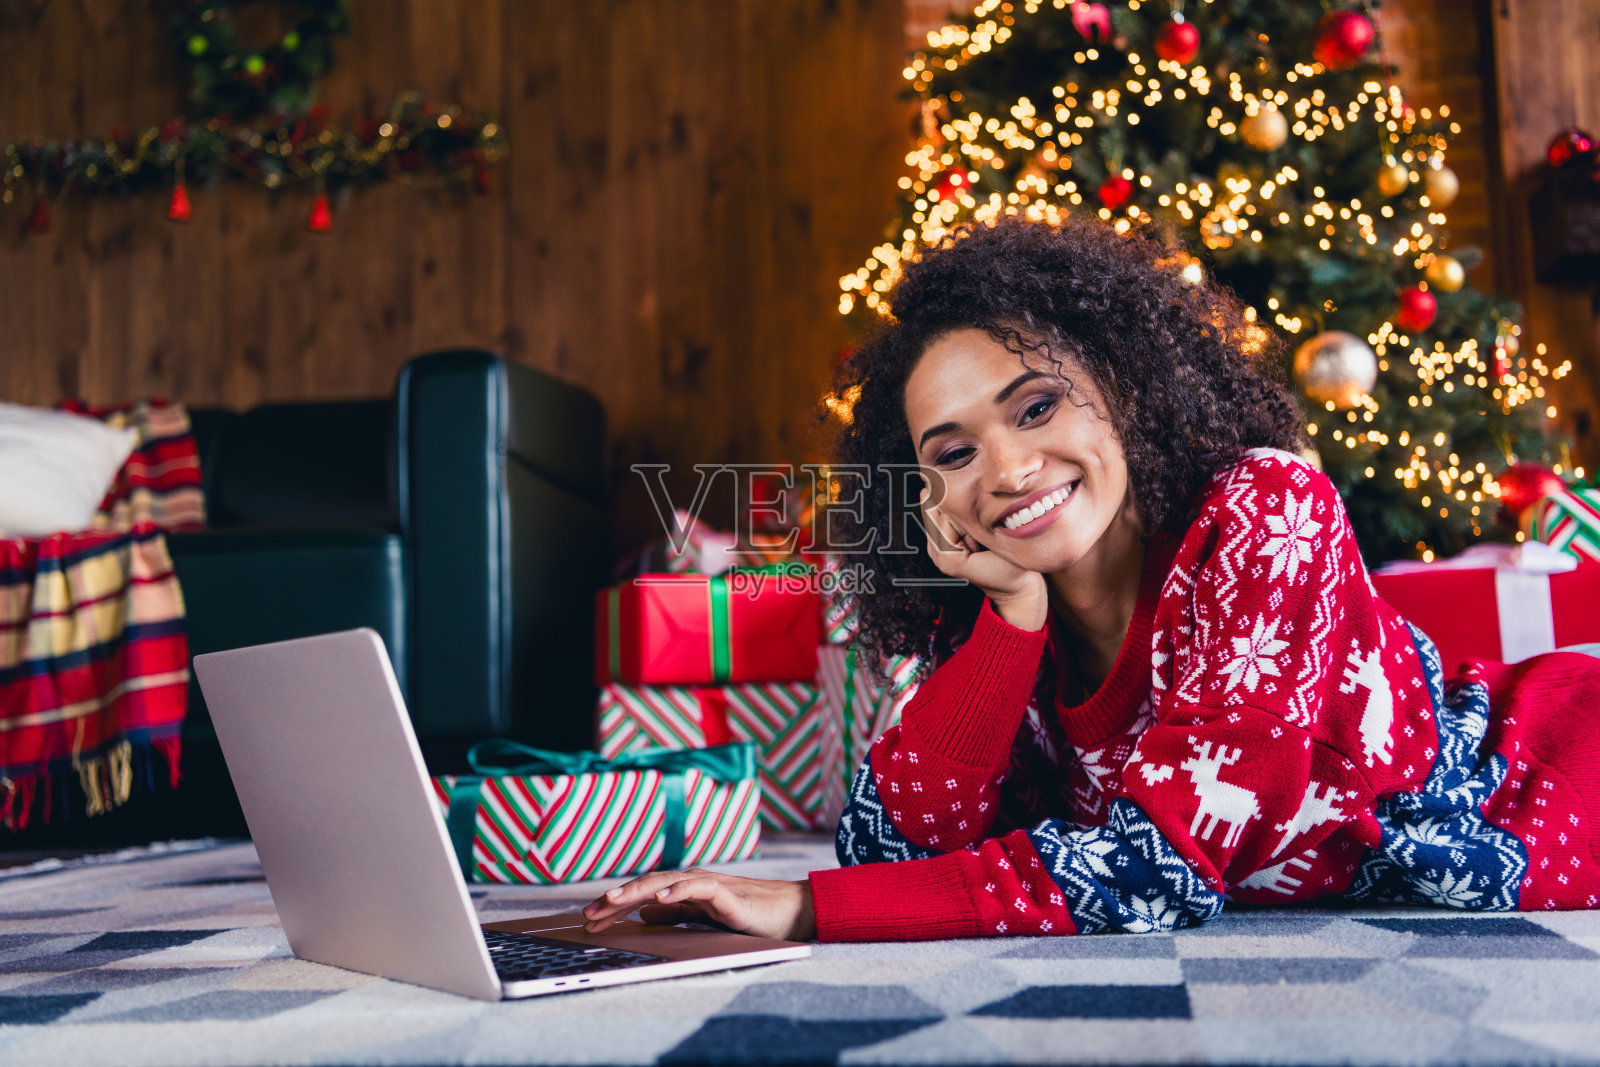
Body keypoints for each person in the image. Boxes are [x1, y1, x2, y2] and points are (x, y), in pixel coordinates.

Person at [583, 216, 1600, 942]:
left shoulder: (1267, 510)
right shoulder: (1001, 611)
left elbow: (1158, 870)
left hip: (1554, 772)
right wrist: (1010, 623)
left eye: (1036, 408)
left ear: (1122, 387)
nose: (1006, 470)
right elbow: (887, 848)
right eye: (953, 452)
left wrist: (809, 909)